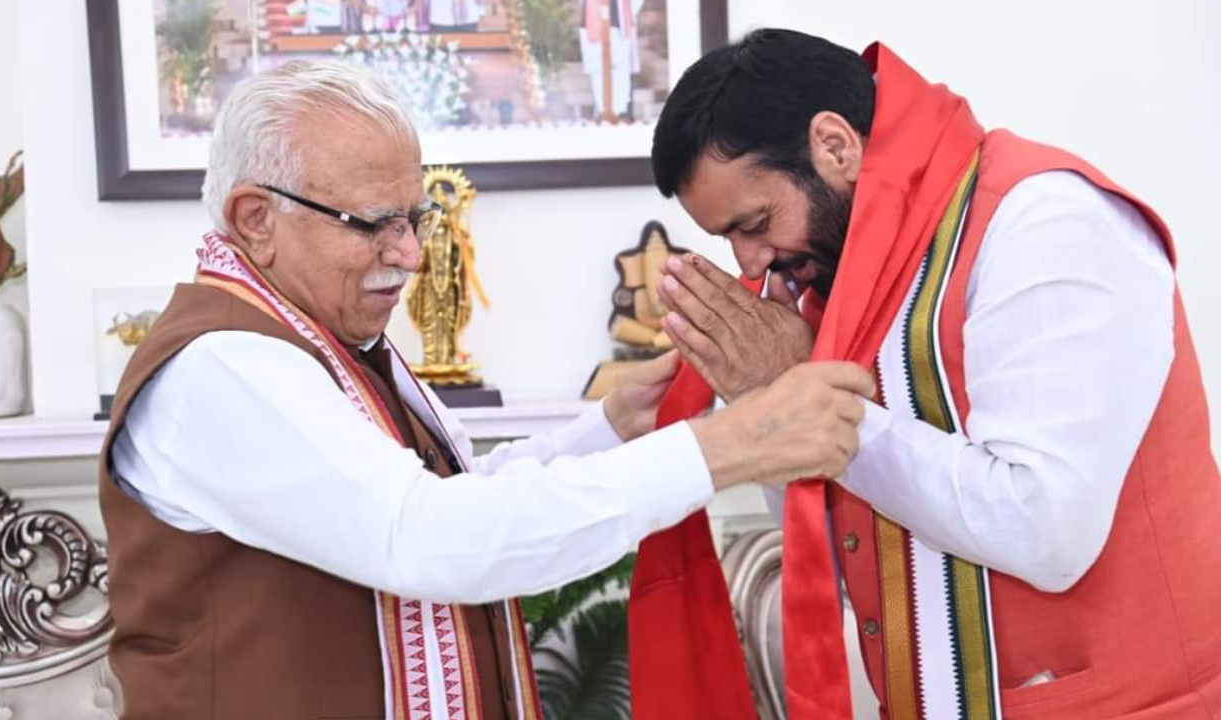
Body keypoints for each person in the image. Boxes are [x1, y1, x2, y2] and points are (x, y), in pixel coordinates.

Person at [97, 59, 873, 720]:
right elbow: (430, 536)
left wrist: (616, 425)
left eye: (414, 218)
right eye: (374, 223)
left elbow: (459, 493)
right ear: (256, 219)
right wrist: (728, 447)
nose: (409, 254)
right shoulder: (221, 368)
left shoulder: (327, 343)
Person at [641, 28, 1221, 720]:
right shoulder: (833, 275)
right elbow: (834, 532)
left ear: (834, 145)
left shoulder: (1043, 223)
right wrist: (768, 410)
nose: (752, 261)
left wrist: (806, 389)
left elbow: (1046, 531)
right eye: (729, 239)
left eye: (757, 221)